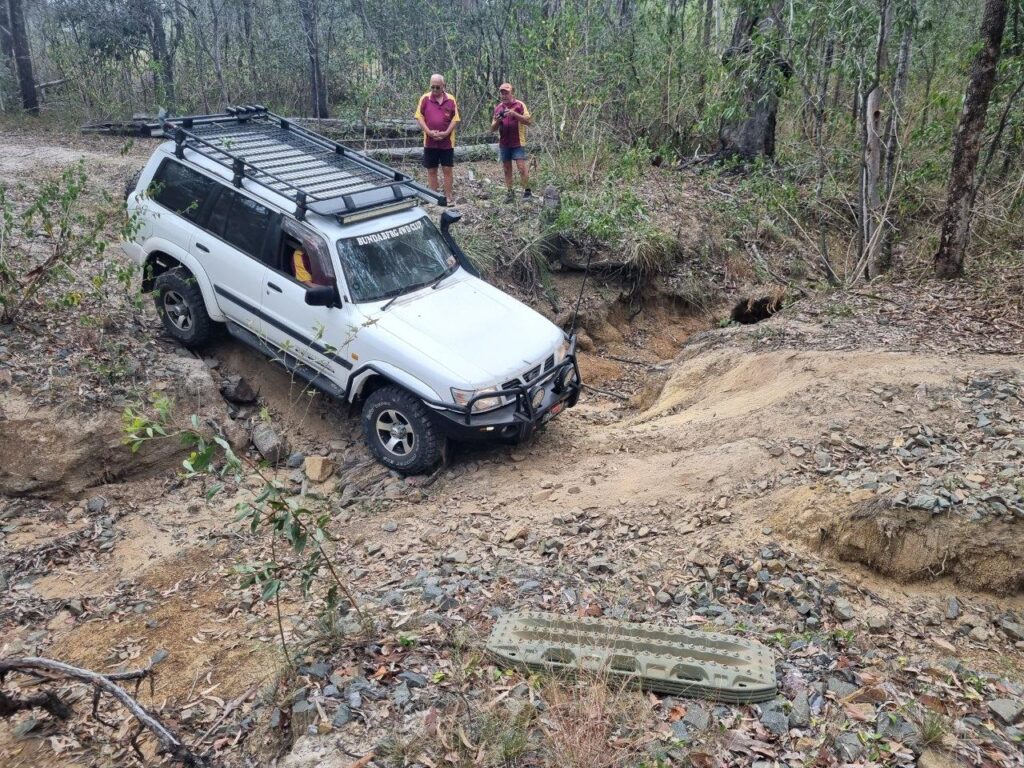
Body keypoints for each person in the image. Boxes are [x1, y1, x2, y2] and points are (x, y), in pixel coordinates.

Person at [414, 74, 460, 204]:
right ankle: (434, 195)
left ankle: (448, 196)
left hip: (447, 142)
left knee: (447, 169)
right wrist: (428, 131)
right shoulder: (425, 98)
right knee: (431, 169)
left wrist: (446, 133)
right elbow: (419, 116)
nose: (434, 90)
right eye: (432, 87)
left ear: (443, 86)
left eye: (437, 87)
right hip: (430, 142)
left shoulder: (451, 99)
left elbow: (455, 119)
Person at [490, 83, 532, 202]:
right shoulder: (498, 108)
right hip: (504, 143)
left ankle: (527, 191)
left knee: (521, 167)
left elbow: (528, 121)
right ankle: (510, 193)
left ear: (511, 93)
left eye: (506, 93)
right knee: (507, 168)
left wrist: (514, 114)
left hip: (518, 142)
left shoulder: (519, 105)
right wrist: (498, 121)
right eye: (502, 93)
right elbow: (492, 128)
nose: (504, 95)